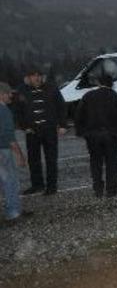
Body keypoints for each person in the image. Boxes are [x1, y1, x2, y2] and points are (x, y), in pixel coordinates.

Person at [75, 73, 117, 198]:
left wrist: (82, 132)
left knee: (95, 162)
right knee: (112, 162)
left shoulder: (88, 96)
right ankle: (111, 189)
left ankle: (98, 188)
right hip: (111, 135)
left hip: (93, 135)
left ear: (99, 83)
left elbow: (79, 115)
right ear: (112, 84)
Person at [15, 67, 67, 196]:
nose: (36, 78)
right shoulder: (21, 90)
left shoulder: (52, 88)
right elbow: (18, 110)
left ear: (42, 76)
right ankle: (37, 185)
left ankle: (52, 186)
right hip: (31, 131)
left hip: (49, 129)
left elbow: (61, 106)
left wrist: (62, 125)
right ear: (28, 77)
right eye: (33, 75)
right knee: (33, 160)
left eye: (39, 75)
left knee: (51, 159)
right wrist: (23, 126)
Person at [0, 82, 27, 222]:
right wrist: (20, 156)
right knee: (10, 181)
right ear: (2, 94)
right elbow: (9, 137)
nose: (11, 95)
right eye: (8, 93)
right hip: (3, 150)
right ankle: (14, 212)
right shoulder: (4, 111)